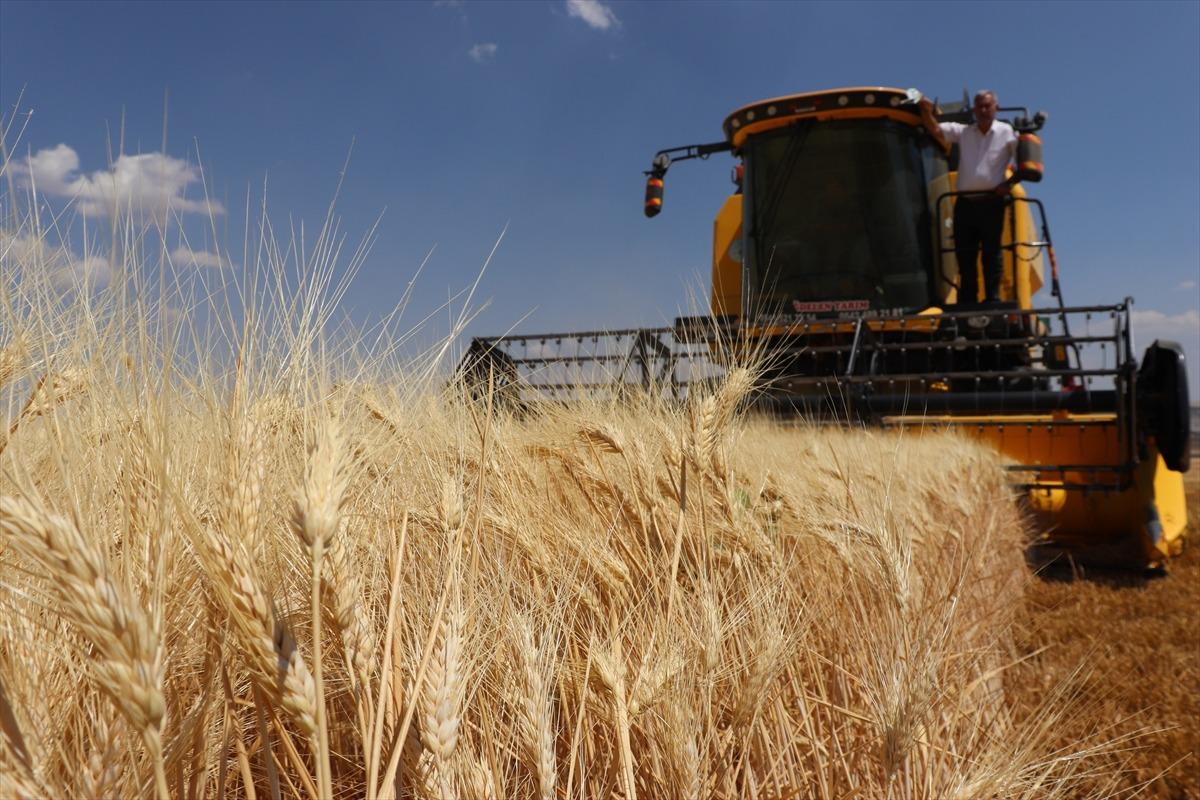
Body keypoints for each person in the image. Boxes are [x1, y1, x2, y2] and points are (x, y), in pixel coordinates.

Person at [919, 90, 1018, 305]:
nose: (983, 110)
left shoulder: (1007, 132)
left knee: (991, 252)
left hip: (992, 202)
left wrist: (1010, 184)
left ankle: (992, 298)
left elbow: (1025, 158)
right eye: (979, 106)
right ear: (974, 109)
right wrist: (925, 110)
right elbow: (935, 129)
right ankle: (968, 300)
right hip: (965, 203)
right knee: (965, 255)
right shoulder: (964, 132)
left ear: (996, 108)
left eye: (987, 106)